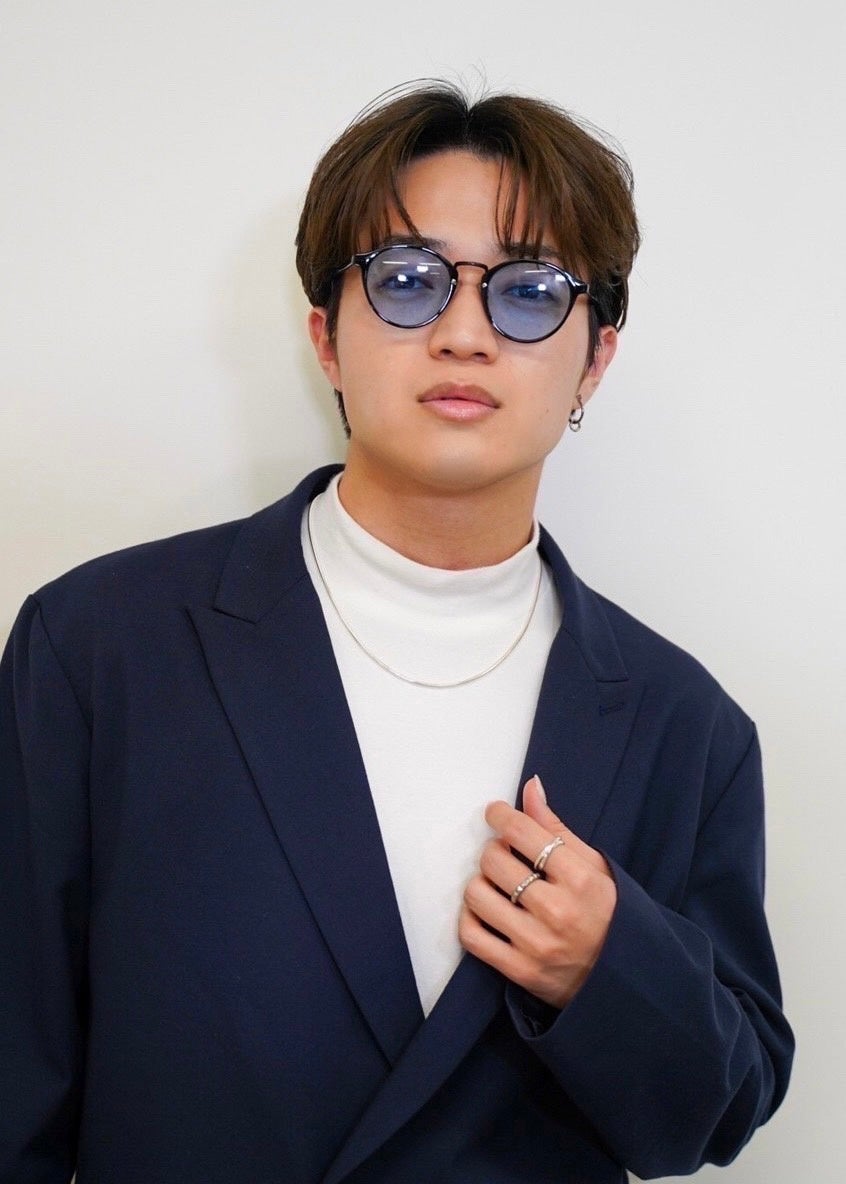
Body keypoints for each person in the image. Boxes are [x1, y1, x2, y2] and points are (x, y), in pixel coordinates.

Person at [0, 82, 793, 1184]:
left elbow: (720, 1111)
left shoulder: (686, 726)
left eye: (529, 291)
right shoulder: (99, 649)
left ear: (595, 361)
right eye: (408, 281)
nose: (464, 334)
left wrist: (609, 967)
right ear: (326, 338)